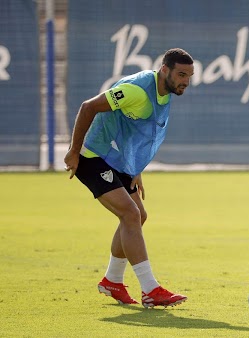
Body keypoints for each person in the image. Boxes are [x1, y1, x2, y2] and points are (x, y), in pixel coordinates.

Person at [64, 48, 194, 308]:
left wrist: (136, 167)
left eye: (189, 76)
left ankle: (112, 280)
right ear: (164, 70)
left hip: (119, 162)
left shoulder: (165, 92)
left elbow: (135, 131)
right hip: (93, 157)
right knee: (130, 214)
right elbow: (88, 107)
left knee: (138, 216)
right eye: (181, 74)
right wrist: (74, 152)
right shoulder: (137, 89)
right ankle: (150, 289)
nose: (185, 82)